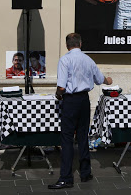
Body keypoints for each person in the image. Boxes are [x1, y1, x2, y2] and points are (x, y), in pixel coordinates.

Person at [48, 33, 113, 189]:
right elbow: (99, 79)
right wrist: (108, 80)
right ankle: (85, 173)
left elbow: (62, 87)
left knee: (67, 138)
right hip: (84, 100)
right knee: (83, 136)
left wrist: (58, 95)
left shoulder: (65, 59)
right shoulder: (88, 59)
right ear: (80, 44)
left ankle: (66, 178)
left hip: (70, 101)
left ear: (67, 45)